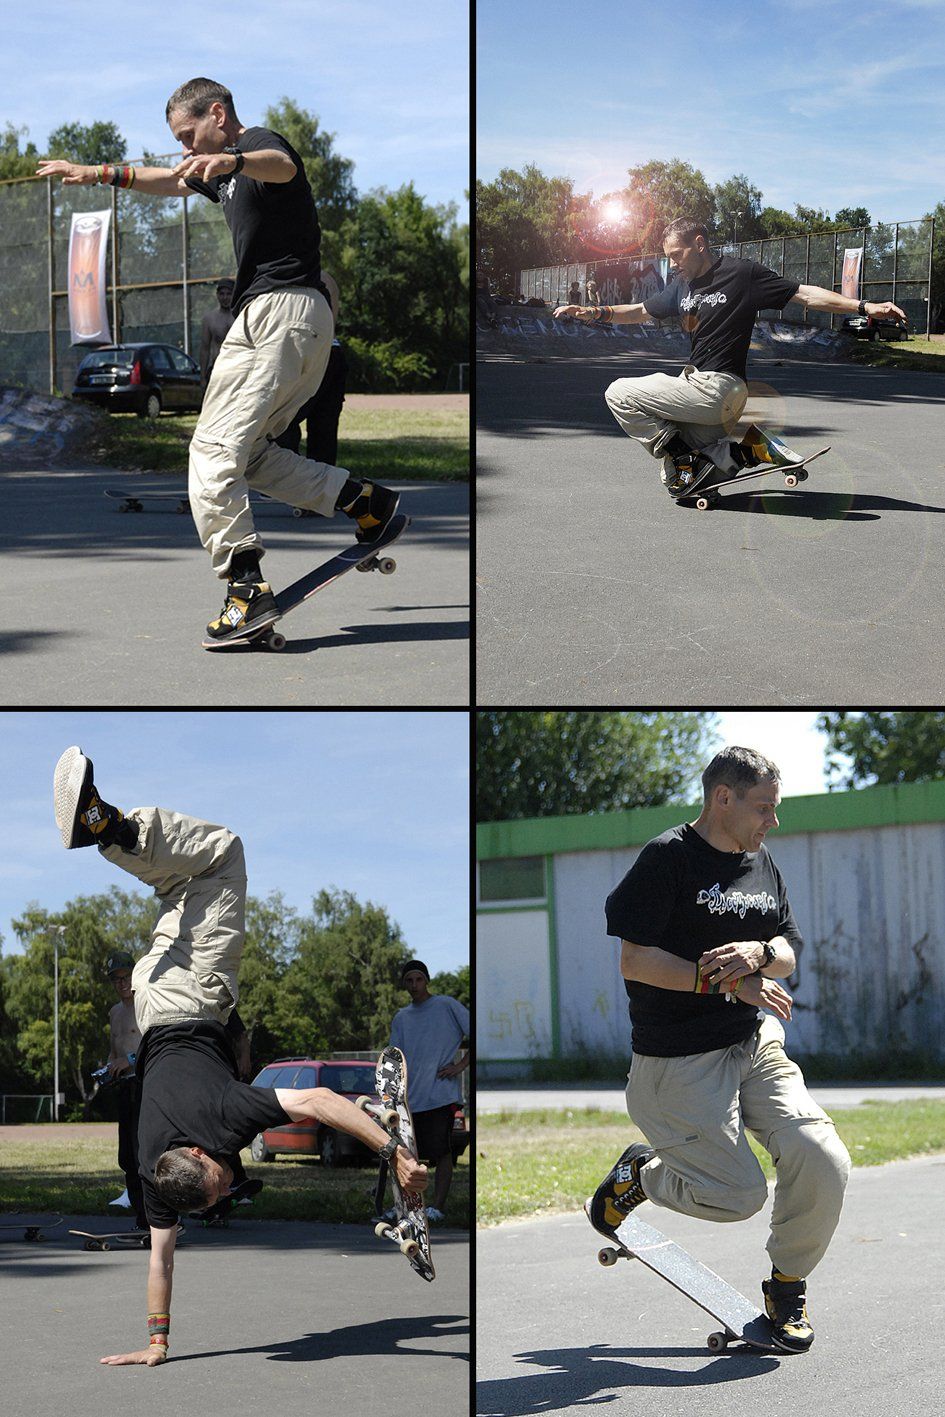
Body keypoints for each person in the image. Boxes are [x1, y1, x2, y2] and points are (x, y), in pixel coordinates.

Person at [53, 745, 427, 1368]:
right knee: (182, 882)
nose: (228, 1185)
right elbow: (160, 1258)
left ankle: (106, 826)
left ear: (198, 1153)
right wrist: (156, 1342)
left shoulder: (223, 1116)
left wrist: (393, 1153)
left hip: (190, 990)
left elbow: (319, 1100)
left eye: (221, 1181)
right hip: (153, 993)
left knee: (224, 852)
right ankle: (108, 833)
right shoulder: (157, 1176)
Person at [38, 78, 401, 646]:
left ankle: (245, 589)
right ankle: (364, 502)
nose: (186, 150)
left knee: (209, 451)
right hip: (303, 325)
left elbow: (280, 165)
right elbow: (171, 180)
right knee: (249, 454)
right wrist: (99, 172)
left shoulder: (257, 146)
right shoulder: (220, 172)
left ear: (217, 113)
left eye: (189, 136)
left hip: (275, 314)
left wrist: (232, 156)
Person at [591, 745, 851, 1352]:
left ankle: (786, 1291)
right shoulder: (667, 858)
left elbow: (787, 945)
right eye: (764, 808)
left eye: (775, 809)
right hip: (679, 1062)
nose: (773, 822)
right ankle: (642, 1176)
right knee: (737, 1197)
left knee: (822, 1155)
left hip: (752, 1042)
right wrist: (725, 979)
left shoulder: (763, 863)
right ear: (722, 798)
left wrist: (758, 956)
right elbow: (636, 960)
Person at [553, 217, 907, 501]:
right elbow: (638, 311)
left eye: (677, 255)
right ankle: (752, 450)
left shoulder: (741, 274)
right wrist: (592, 312)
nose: (674, 264)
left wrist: (864, 306)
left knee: (618, 393)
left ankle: (681, 455)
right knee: (678, 482)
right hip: (707, 399)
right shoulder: (681, 287)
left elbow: (804, 295)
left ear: (700, 244)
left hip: (718, 388)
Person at [389, 960, 469, 1222]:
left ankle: (437, 1207)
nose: (414, 985)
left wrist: (459, 1066)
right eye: (409, 981)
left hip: (440, 1096)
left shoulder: (446, 1006)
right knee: (405, 1154)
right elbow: (395, 1059)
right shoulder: (402, 1017)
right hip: (410, 1099)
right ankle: (407, 1206)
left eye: (419, 980)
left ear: (427, 981)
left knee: (441, 1153)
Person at [102, 951, 146, 1223]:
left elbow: (153, 1047)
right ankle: (141, 1215)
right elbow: (113, 1051)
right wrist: (106, 1067)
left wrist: (128, 1061)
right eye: (115, 979)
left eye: (125, 976)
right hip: (123, 1088)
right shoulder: (114, 1013)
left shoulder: (146, 1004)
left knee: (145, 1153)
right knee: (127, 1157)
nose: (121, 983)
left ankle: (160, 1217)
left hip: (145, 1084)